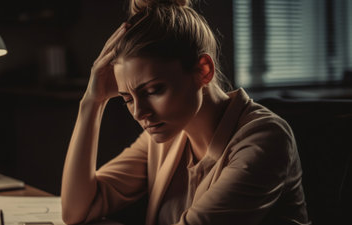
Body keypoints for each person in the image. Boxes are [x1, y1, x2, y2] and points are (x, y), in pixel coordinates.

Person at [61, 0, 310, 224]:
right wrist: (92, 102)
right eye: (127, 98)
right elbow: (76, 211)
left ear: (203, 70)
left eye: (153, 90)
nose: (139, 112)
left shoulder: (264, 139)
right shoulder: (163, 139)